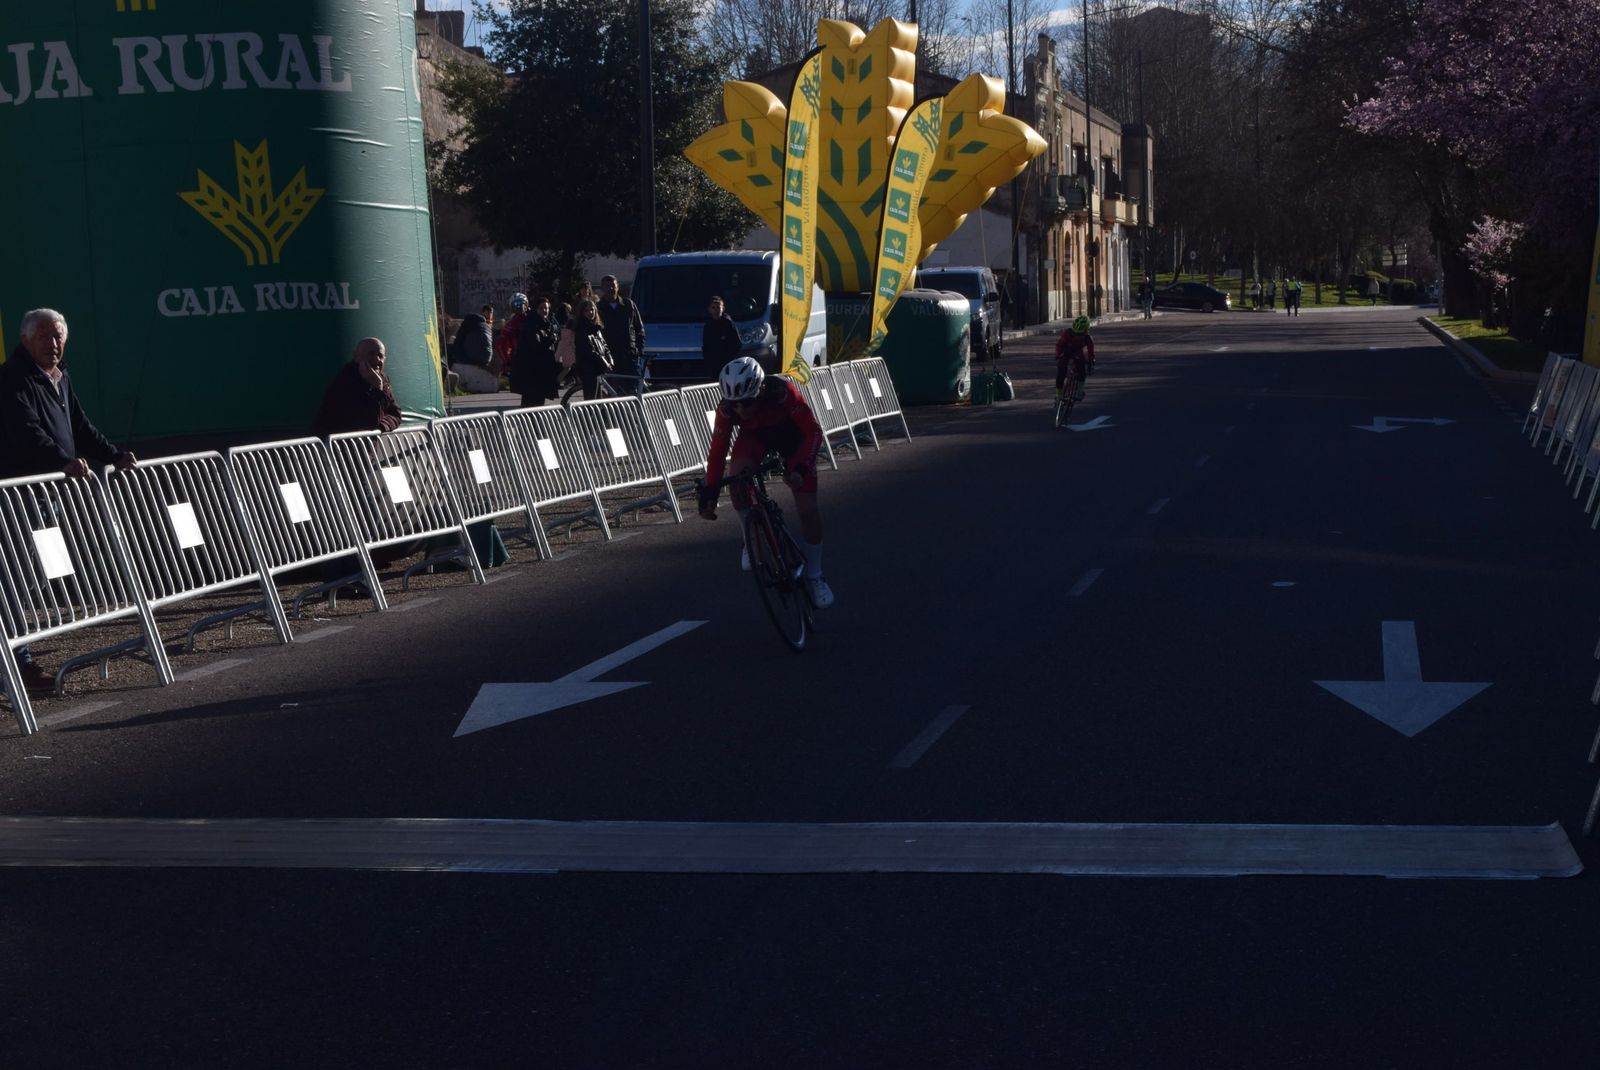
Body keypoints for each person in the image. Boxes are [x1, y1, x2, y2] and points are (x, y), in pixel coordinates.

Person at [0, 308, 138, 696]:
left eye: (59, 336)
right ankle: (17, 664)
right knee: (15, 579)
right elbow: (25, 430)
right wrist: (62, 461)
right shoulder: (12, 379)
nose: (53, 343)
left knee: (32, 580)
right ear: (25, 340)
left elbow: (79, 426)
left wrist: (113, 455)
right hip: (20, 495)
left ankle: (16, 657)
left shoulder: (59, 378)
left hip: (48, 496)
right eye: (44, 336)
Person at [696, 357, 832, 609]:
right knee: (737, 479)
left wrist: (801, 468)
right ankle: (750, 538)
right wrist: (710, 494)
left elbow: (813, 431)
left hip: (792, 438)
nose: (740, 410)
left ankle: (815, 576)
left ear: (760, 389)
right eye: (735, 404)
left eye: (747, 402)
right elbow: (717, 452)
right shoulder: (726, 410)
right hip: (755, 439)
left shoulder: (782, 393)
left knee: (808, 510)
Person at [312, 337, 403, 437]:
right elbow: (367, 424)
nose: (377, 359)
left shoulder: (382, 379)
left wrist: (381, 426)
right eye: (371, 354)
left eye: (380, 356)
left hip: (367, 445)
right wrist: (377, 389)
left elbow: (396, 414)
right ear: (356, 357)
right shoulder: (346, 381)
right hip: (343, 444)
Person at [511, 295, 561, 408]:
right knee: (531, 403)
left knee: (537, 403)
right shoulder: (532, 324)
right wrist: (550, 339)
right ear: (536, 309)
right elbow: (535, 345)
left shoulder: (546, 323)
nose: (544, 311)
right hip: (532, 372)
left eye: (546, 308)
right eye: (541, 308)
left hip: (541, 371)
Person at [596, 275, 646, 385]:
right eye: (607, 286)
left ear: (617, 287)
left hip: (629, 355)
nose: (611, 288)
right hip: (609, 357)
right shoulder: (598, 308)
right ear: (602, 288)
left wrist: (639, 349)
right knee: (614, 389)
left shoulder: (629, 305)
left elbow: (639, 328)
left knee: (633, 388)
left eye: (613, 286)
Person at [567, 297, 614, 401]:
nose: (590, 312)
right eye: (587, 310)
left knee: (598, 399)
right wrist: (605, 362)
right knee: (591, 399)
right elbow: (588, 350)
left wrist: (610, 358)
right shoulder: (581, 328)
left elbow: (604, 345)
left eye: (592, 309)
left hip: (598, 368)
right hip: (588, 369)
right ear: (582, 312)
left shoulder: (596, 327)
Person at [450, 304, 498, 393]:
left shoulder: (468, 323)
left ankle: (449, 380)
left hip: (474, 358)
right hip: (486, 359)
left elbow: (458, 341)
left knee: (450, 349)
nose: (490, 315)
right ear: (482, 313)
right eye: (488, 313)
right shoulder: (486, 325)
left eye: (491, 313)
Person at [1054, 315, 1096, 405]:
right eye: (1075, 333)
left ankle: (1079, 392)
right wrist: (1058, 355)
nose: (1077, 336)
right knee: (1061, 371)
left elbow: (1091, 352)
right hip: (1066, 350)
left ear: (1086, 331)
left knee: (1082, 371)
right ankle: (1058, 395)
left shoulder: (1088, 338)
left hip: (1078, 353)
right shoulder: (1067, 333)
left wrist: (1091, 362)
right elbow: (1059, 345)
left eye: (1080, 334)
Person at [702, 295, 742, 374]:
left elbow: (738, 344)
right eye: (713, 308)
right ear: (709, 310)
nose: (716, 310)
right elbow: (706, 345)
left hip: (727, 365)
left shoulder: (728, 323)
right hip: (713, 365)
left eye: (718, 307)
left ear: (723, 309)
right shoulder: (708, 326)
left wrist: (730, 359)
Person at [496, 292, 529, 378]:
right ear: (512, 307)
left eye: (522, 304)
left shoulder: (533, 319)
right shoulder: (511, 324)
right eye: (516, 305)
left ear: (526, 305)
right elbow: (500, 344)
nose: (520, 307)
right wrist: (507, 361)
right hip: (519, 357)